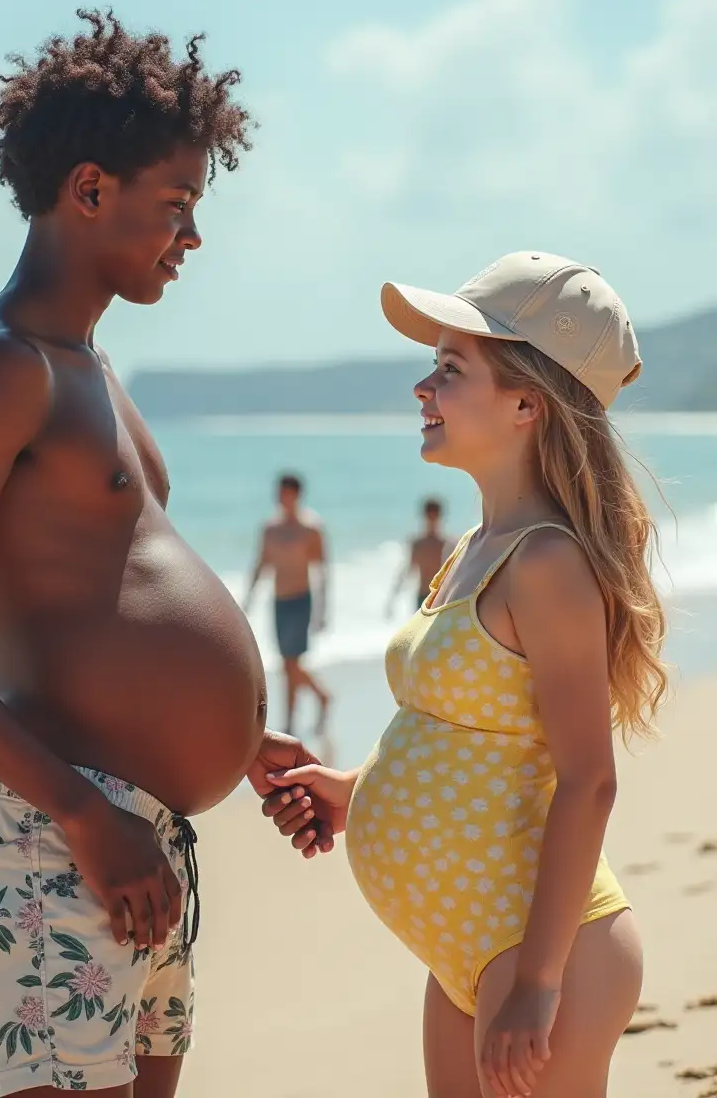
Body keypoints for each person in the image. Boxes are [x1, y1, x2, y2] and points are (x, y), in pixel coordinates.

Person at [0, 9, 327, 1098]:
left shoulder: (89, 366)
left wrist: (237, 736)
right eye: (178, 205)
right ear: (88, 189)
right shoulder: (0, 367)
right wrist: (80, 810)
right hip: (53, 840)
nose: (191, 236)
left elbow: (106, 593)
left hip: (135, 838)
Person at [262, 252, 666, 1098]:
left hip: (543, 952)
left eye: (450, 368)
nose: (423, 389)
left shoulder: (546, 561)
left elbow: (589, 782)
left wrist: (539, 984)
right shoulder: (472, 554)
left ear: (527, 402)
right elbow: (468, 730)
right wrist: (356, 788)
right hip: (474, 953)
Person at [245, 473, 332, 736]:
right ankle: (319, 698)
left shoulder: (311, 528)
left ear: (296, 494)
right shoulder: (269, 528)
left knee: (291, 663)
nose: (281, 497)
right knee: (286, 663)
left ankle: (292, 721)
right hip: (278, 601)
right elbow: (261, 563)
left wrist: (322, 610)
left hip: (300, 600)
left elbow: (322, 571)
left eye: (286, 492)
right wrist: (249, 596)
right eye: (278, 492)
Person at [386, 496, 454, 617]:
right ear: (425, 516)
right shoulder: (418, 544)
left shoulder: (446, 544)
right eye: (430, 515)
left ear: (439, 516)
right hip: (422, 599)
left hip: (440, 599)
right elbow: (407, 571)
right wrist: (393, 597)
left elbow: (454, 575)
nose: (432, 519)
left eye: (435, 515)